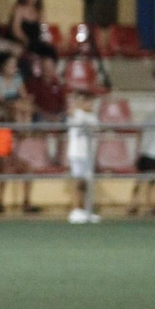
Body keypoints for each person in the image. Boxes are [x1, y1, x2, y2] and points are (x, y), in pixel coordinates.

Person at [66, 90, 100, 225]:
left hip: (89, 154)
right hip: (77, 153)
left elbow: (95, 128)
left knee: (88, 183)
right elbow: (70, 113)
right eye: (88, 101)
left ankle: (87, 210)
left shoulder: (92, 117)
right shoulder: (75, 114)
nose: (91, 104)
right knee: (77, 181)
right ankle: (75, 210)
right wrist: (77, 103)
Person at [25, 54, 68, 122]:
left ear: (54, 68)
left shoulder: (58, 84)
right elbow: (31, 104)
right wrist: (47, 116)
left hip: (57, 114)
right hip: (41, 115)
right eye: (45, 67)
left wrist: (59, 115)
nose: (47, 69)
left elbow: (64, 104)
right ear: (41, 68)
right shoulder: (33, 83)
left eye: (50, 67)